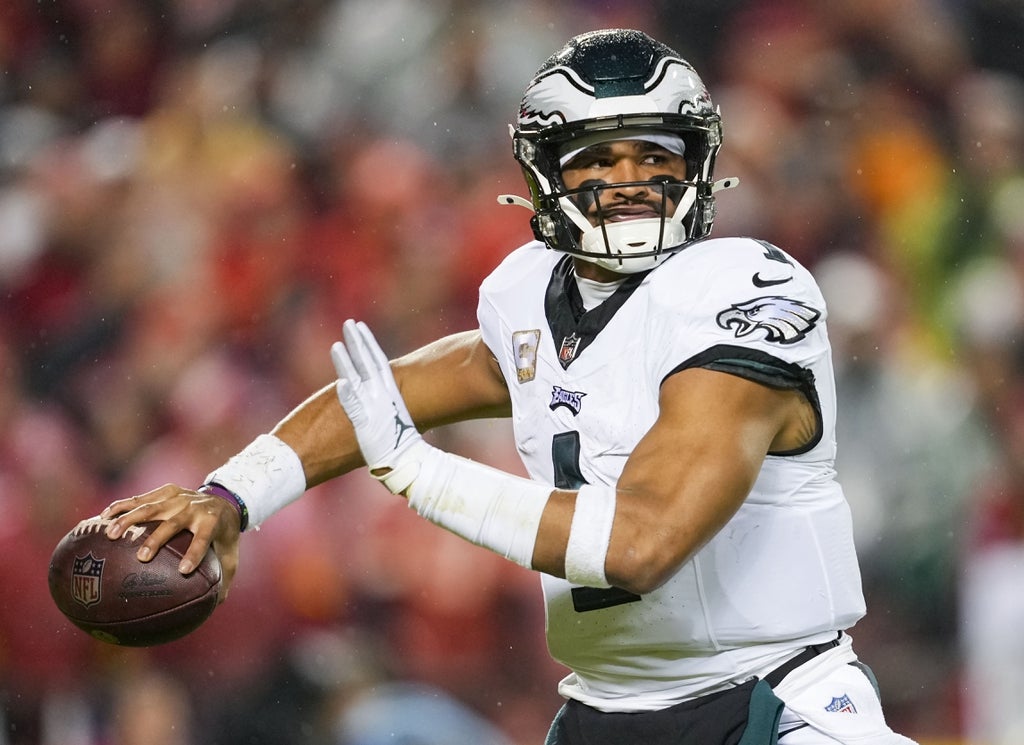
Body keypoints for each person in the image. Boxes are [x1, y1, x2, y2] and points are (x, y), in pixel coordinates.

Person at [101, 29, 917, 745]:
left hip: (776, 700)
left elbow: (642, 546)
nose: (628, 179)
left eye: (653, 154)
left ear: (697, 165)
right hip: (604, 712)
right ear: (544, 173)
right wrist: (234, 493)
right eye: (596, 156)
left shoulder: (741, 289)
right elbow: (373, 401)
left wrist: (420, 473)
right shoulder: (529, 298)